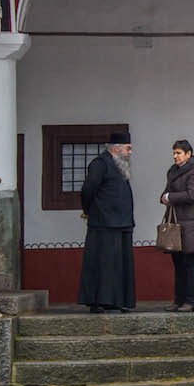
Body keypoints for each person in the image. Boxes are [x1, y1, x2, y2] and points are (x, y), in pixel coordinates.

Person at [79, 132, 136, 313]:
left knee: (119, 265)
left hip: (122, 224)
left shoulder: (119, 165)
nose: (130, 152)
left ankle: (116, 300)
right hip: (103, 223)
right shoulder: (100, 164)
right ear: (117, 148)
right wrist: (88, 210)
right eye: (128, 148)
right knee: (102, 264)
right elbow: (88, 188)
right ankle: (98, 301)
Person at [161, 140, 194, 312]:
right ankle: (178, 300)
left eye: (178, 153)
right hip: (176, 224)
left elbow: (192, 194)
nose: (175, 156)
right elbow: (166, 192)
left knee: (189, 262)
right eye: (174, 153)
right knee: (177, 263)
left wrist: (170, 197)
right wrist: (164, 197)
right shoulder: (173, 171)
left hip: (190, 223)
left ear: (188, 154)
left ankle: (191, 300)